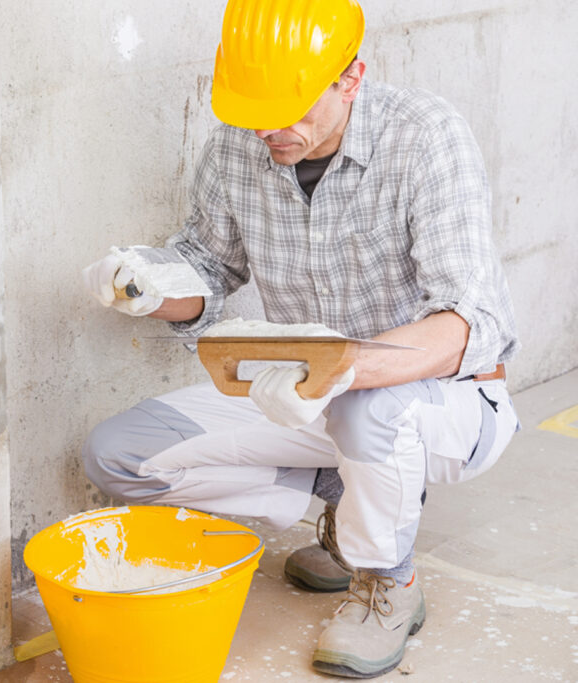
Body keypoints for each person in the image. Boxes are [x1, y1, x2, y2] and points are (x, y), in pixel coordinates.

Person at [80, 0, 520, 678]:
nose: (270, 129)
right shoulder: (241, 143)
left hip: (441, 401)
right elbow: (208, 266)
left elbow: (472, 322)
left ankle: (388, 582)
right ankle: (350, 509)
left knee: (366, 407)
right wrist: (148, 285)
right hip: (307, 393)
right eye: (254, 107)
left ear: (351, 79)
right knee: (119, 454)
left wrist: (344, 370)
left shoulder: (426, 138)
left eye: (290, 107)